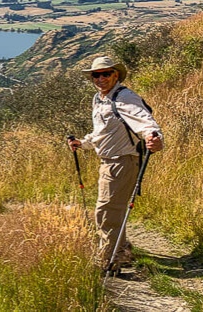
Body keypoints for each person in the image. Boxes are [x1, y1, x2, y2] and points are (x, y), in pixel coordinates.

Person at [67, 55, 163, 271]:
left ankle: (109, 260)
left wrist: (154, 139)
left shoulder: (124, 98)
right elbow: (101, 133)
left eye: (106, 74)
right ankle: (122, 250)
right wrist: (82, 143)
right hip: (109, 162)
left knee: (106, 211)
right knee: (113, 210)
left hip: (122, 162)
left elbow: (147, 123)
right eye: (96, 75)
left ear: (116, 75)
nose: (100, 78)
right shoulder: (99, 99)